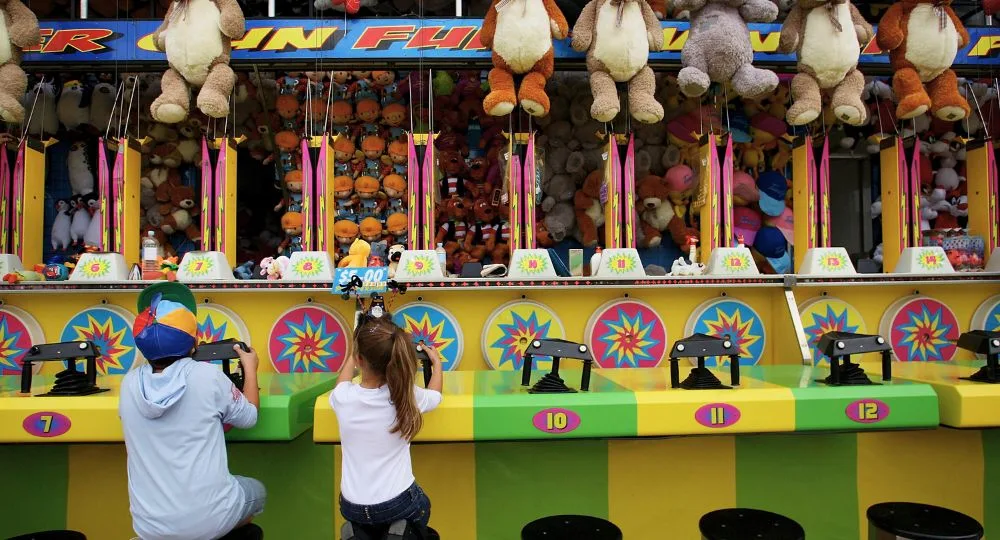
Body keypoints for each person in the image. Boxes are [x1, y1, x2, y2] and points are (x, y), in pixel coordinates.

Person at [119, 282, 266, 540]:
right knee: (258, 491)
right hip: (206, 521)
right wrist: (250, 368)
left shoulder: (129, 384)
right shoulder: (207, 376)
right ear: (194, 341)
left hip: (148, 528)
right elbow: (249, 416)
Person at [332, 314, 444, 533]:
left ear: (359, 360)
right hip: (397, 503)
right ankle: (399, 533)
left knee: (366, 522)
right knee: (423, 505)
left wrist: (352, 355)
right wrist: (437, 365)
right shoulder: (407, 394)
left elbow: (341, 383)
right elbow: (436, 396)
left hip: (351, 506)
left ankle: (360, 533)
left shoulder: (343, 397)